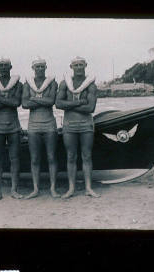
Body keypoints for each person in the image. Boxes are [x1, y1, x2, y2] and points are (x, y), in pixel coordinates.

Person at [55, 56, 100, 198]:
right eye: (76, 65)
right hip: (69, 125)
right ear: (71, 67)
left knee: (86, 156)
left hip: (86, 125)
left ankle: (88, 188)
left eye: (81, 64)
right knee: (71, 156)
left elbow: (91, 108)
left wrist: (70, 105)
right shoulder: (64, 84)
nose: (79, 67)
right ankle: (71, 188)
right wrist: (80, 102)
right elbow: (58, 104)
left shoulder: (91, 85)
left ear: (86, 65)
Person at [0, 57, 24, 201]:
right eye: (0, 65)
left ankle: (14, 190)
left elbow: (17, 103)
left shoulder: (18, 84)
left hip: (14, 126)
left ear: (11, 66)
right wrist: (8, 100)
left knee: (15, 159)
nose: (3, 67)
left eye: (6, 65)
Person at [22, 57, 60, 199]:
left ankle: (53, 188)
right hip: (33, 125)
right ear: (33, 68)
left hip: (49, 123)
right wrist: (42, 101)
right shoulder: (28, 84)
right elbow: (24, 104)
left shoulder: (52, 82)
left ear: (46, 67)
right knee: (35, 158)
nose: (39, 69)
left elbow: (51, 101)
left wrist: (34, 99)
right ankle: (35, 189)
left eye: (42, 66)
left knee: (51, 157)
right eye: (37, 67)